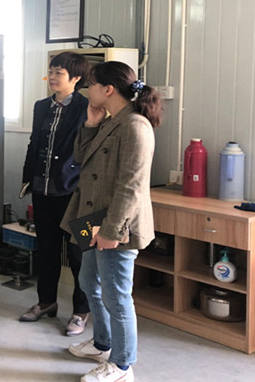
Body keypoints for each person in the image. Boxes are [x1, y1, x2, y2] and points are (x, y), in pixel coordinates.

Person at [60, 61, 163, 382]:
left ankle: (121, 365)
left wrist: (112, 230)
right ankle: (102, 343)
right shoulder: (110, 121)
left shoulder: (135, 126)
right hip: (90, 217)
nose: (86, 90)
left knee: (116, 295)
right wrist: (91, 124)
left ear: (108, 89)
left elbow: (132, 185)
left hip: (115, 224)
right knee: (88, 282)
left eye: (91, 84)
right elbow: (81, 158)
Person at [19, 52, 91, 336]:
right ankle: (46, 301)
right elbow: (34, 143)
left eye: (59, 72)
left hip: (76, 193)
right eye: (51, 71)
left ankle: (81, 311)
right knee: (46, 250)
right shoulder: (41, 106)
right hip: (43, 190)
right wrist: (27, 179)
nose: (52, 77)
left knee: (79, 254)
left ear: (76, 78)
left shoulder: (87, 107)